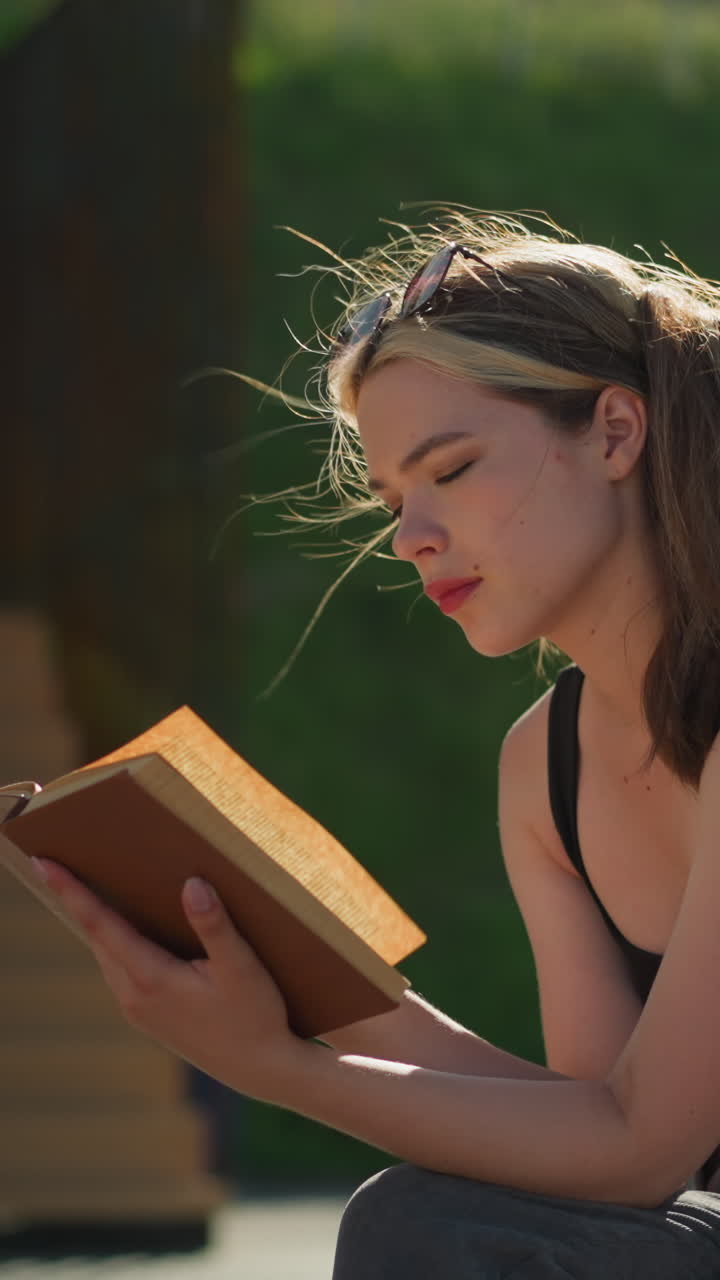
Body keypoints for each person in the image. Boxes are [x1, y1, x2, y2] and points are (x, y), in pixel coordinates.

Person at [29, 210, 720, 1277]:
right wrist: (306, 980)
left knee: (419, 1223)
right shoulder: (544, 769)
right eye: (394, 499)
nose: (409, 537)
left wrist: (282, 1069)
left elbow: (640, 1152)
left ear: (618, 432)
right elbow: (597, 1139)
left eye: (450, 468)